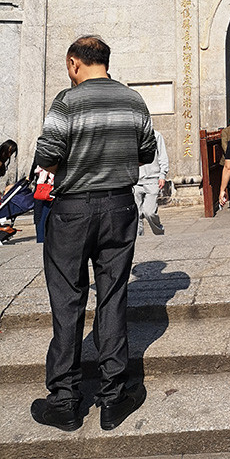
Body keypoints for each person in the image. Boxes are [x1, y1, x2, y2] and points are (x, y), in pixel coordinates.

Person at [30, 36, 156, 433]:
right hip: (119, 206)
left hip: (71, 212)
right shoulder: (133, 100)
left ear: (74, 63)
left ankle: (65, 400)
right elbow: (147, 152)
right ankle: (113, 396)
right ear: (106, 61)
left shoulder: (66, 102)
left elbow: (46, 156)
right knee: (113, 296)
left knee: (67, 301)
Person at [134, 128, 169, 236]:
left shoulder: (156, 136)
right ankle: (139, 239)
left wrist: (162, 174)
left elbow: (162, 156)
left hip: (153, 179)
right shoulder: (131, 136)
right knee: (136, 214)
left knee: (149, 212)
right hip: (136, 180)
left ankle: (159, 232)